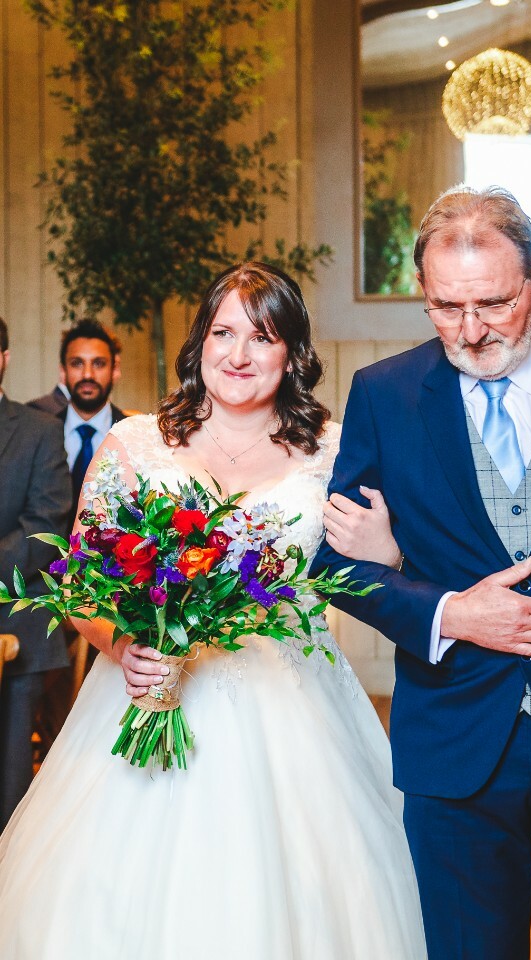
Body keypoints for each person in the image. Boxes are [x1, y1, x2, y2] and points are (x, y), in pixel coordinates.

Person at [0, 263, 427, 959]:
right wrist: (123, 647)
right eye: (223, 333)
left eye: (262, 338)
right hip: (149, 693)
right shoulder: (135, 444)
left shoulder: (338, 448)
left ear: (292, 352)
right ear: (199, 343)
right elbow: (80, 582)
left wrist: (391, 553)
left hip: (296, 707)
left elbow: (383, 570)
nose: (238, 355)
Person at [312, 186, 531, 960]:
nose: (469, 332)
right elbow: (334, 568)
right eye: (444, 307)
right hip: (457, 743)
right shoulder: (385, 395)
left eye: (494, 304)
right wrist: (450, 613)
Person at [0, 317, 72, 831]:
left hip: (14, 619)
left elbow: (44, 527)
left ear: (3, 357)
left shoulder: (39, 433)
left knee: (9, 793)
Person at [30, 319, 127, 520]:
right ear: (63, 372)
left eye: (98, 364)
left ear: (114, 370)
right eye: (77, 363)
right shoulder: (36, 434)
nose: (87, 374)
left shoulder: (132, 437)